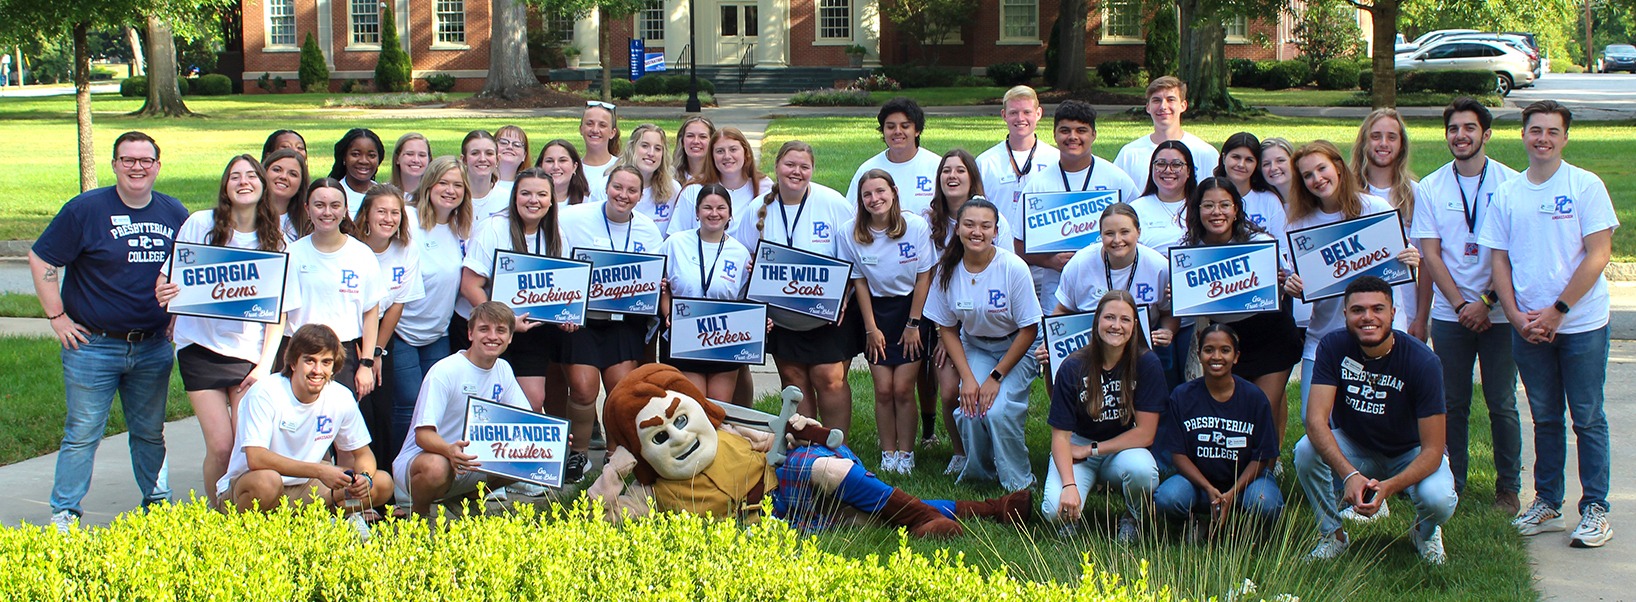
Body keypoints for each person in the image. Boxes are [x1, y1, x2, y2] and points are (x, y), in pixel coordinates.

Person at [31, 131, 187, 530]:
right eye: (128, 160)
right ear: (115, 164)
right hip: (93, 345)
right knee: (82, 433)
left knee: (150, 432)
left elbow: (189, 270)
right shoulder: (86, 210)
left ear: (158, 165)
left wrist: (176, 314)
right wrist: (56, 316)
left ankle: (158, 504)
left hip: (151, 345)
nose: (137, 167)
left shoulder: (174, 213)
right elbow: (42, 257)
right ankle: (65, 512)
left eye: (145, 160)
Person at [1481, 100, 1618, 548]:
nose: (1543, 139)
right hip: (1529, 327)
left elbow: (1599, 254)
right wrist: (1518, 315)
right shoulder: (1506, 194)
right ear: (1522, 135)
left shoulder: (1585, 186)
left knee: (1587, 416)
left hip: (1580, 324)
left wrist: (1558, 310)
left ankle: (1595, 508)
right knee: (1544, 417)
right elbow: (1498, 258)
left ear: (1565, 137)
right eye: (1535, 130)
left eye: (1552, 132)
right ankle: (1548, 504)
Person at [155, 154, 294, 510]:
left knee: (245, 447)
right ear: (225, 185)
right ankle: (218, 515)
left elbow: (277, 313)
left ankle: (245, 511)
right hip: (199, 347)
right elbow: (170, 277)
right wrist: (165, 291)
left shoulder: (276, 240)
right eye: (235, 176)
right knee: (220, 446)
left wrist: (264, 365)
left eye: (251, 175)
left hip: (250, 354)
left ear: (262, 186)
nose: (243, 181)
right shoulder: (199, 223)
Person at [1293, 276, 1456, 564]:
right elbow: (1315, 420)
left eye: (1377, 309)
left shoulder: (1423, 361)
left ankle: (1424, 531)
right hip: (1356, 446)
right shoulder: (1333, 346)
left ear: (1393, 313)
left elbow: (1433, 450)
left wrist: (1389, 487)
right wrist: (1350, 475)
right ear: (1345, 315)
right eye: (1358, 310)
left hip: (1411, 451)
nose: (1368, 317)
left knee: (1439, 500)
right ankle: (1333, 535)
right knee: (1305, 449)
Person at [1409, 98, 1522, 514]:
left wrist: (1486, 302)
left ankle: (1508, 488)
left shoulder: (1511, 184)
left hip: (1500, 312)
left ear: (1486, 134)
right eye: (1454, 129)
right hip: (1451, 314)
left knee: (1502, 401)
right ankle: (1452, 479)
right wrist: (1460, 306)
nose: (1461, 136)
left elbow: (1511, 253)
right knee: (1451, 402)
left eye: (1470, 128)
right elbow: (1431, 255)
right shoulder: (1433, 187)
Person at [1282, 141, 1418, 415]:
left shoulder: (1375, 208)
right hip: (1325, 334)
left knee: (1386, 416)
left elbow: (1399, 262)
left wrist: (1410, 259)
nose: (1317, 179)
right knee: (1314, 421)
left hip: (1381, 332)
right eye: (1307, 175)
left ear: (1339, 168)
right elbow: (1301, 279)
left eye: (1322, 169)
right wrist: (1293, 285)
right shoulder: (1300, 225)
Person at [458, 167, 566, 497]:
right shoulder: (494, 228)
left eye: (541, 195)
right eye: (526, 193)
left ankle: (515, 470)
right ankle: (486, 477)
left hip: (536, 331)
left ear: (551, 201)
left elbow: (565, 286)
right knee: (488, 401)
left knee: (533, 400)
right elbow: (470, 284)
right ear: (514, 196)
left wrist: (568, 313)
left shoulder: (556, 234)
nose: (533, 200)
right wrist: (501, 322)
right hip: (496, 330)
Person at [740, 141, 860, 432]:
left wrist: (846, 293)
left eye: (804, 166)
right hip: (781, 319)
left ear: (812, 170)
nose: (796, 172)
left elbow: (855, 255)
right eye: (789, 165)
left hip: (828, 313)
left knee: (829, 379)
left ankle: (838, 451)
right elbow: (742, 254)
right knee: (794, 380)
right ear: (777, 167)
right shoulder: (757, 209)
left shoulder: (832, 204)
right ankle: (807, 451)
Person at [556, 165, 665, 482]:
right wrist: (565, 306)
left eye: (632, 191)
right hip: (583, 322)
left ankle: (614, 455)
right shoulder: (574, 217)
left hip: (622, 324)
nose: (624, 195)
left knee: (620, 393)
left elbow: (654, 278)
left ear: (640, 196)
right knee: (583, 389)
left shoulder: (647, 231)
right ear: (607, 187)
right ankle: (577, 456)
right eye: (618, 187)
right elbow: (553, 252)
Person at [924, 198, 1041, 493]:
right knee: (970, 409)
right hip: (976, 345)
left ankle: (1019, 480)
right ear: (958, 229)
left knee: (999, 410)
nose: (977, 231)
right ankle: (980, 472)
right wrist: (968, 379)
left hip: (1018, 346)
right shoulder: (946, 270)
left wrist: (995, 377)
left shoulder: (1012, 267)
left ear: (995, 231)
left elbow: (1029, 329)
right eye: (969, 225)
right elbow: (947, 328)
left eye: (985, 226)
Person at [221, 324, 394, 520]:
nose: (317, 370)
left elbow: (363, 453)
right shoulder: (265, 392)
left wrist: (365, 478)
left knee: (382, 483)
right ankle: (247, 532)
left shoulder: (341, 396)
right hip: (252, 484)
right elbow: (256, 458)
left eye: (326, 362)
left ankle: (321, 521)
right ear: (293, 362)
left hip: (308, 487)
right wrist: (320, 470)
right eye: (310, 361)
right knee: (267, 482)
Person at [1179, 178, 1302, 446]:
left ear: (1236, 209)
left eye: (1225, 205)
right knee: (1238, 408)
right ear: (1197, 210)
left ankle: (1269, 464)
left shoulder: (1261, 242)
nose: (1217, 212)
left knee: (1265, 405)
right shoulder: (1189, 251)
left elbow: (1288, 279)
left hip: (1271, 332)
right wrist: (1174, 295)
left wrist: (1286, 282)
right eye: (1208, 205)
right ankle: (1239, 460)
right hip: (1226, 336)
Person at [1041, 290, 1162, 542]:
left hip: (1123, 446)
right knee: (1053, 511)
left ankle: (1134, 517)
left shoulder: (1147, 363)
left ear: (1135, 326)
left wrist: (1092, 450)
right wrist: (1069, 486)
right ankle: (1072, 513)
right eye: (1109, 318)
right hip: (1078, 443)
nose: (1116, 326)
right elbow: (1061, 437)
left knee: (1143, 472)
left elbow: (1146, 433)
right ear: (1097, 321)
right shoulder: (1073, 366)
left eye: (1125, 320)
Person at [394, 301, 534, 516]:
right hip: (429, 459)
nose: (492, 336)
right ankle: (420, 514)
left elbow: (527, 422)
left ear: (510, 337)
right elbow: (423, 435)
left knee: (531, 454)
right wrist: (449, 451)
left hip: (474, 461)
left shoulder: (503, 369)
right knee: (436, 467)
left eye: (501, 330)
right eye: (484, 329)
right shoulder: (445, 371)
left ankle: (467, 498)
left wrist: (556, 440)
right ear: (470, 333)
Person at [839, 170, 935, 474]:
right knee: (883, 389)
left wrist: (913, 324)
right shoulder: (850, 233)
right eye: (867, 194)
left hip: (911, 311)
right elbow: (859, 282)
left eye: (880, 191)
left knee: (904, 388)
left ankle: (906, 453)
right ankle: (888, 451)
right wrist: (871, 328)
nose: (874, 199)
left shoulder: (916, 227)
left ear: (893, 192)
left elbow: (924, 276)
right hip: (875, 313)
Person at [924, 148, 1013, 472]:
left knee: (980, 393)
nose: (952, 176)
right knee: (949, 391)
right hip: (945, 319)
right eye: (946, 170)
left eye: (960, 170)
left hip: (984, 321)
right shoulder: (928, 219)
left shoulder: (993, 217)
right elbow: (930, 276)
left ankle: (989, 449)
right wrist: (946, 337)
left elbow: (1003, 274)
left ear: (972, 177)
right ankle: (961, 452)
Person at [1015, 100, 1138, 321]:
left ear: (1094, 135)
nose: (1073, 137)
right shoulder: (1038, 186)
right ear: (1054, 135)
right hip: (1058, 294)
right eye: (1065, 130)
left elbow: (1139, 231)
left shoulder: (1117, 179)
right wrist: (1050, 262)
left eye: (1081, 130)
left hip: (1112, 294)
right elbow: (1019, 245)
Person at [1155, 324, 1283, 530]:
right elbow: (1178, 455)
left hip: (1246, 484)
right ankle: (1194, 524)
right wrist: (1207, 487)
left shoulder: (1254, 398)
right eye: (1208, 350)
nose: (1216, 357)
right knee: (1168, 498)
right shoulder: (1181, 396)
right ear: (1198, 354)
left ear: (1236, 356)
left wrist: (1232, 492)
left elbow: (1262, 457)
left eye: (1225, 350)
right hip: (1197, 483)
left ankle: (1244, 530)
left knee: (1266, 504)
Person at [391, 156, 473, 469]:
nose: (450, 191)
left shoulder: (460, 228)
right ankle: (399, 471)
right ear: (429, 185)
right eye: (443, 183)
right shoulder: (408, 220)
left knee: (437, 409)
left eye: (457, 185)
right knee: (409, 404)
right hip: (401, 331)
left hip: (437, 334)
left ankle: (428, 470)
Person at [283, 179, 386, 396]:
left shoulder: (361, 255)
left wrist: (366, 364)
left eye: (335, 206)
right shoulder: (293, 254)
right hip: (300, 352)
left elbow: (371, 312)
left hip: (343, 353)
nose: (327, 212)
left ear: (345, 209)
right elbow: (282, 314)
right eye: (319, 205)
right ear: (307, 209)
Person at [656, 184, 754, 401]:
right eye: (707, 207)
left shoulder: (740, 253)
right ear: (697, 212)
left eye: (721, 208)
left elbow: (744, 299)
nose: (714, 213)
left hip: (723, 337)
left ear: (730, 213)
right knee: (695, 404)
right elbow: (663, 287)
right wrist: (668, 314)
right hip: (684, 334)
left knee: (719, 407)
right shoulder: (675, 243)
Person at [353, 184, 425, 472]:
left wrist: (377, 352)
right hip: (348, 333)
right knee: (357, 410)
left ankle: (382, 485)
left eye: (395, 212)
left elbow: (397, 304)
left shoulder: (405, 249)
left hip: (382, 335)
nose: (388, 218)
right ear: (366, 215)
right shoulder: (351, 247)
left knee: (383, 410)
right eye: (381, 211)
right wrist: (362, 356)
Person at [1049, 203, 1170, 356]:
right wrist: (1050, 343)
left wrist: (1167, 331)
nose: (1117, 240)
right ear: (1100, 235)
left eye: (1125, 232)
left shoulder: (1159, 266)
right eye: (1109, 233)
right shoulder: (1079, 263)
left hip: (1141, 349)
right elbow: (1062, 310)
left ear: (1138, 232)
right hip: (1091, 348)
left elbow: (1167, 313)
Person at [1129, 140, 1199, 390]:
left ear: (1189, 171)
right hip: (1151, 316)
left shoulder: (1201, 207)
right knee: (1157, 387)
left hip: (1197, 319)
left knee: (1192, 385)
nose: (1168, 170)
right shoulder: (1137, 209)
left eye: (1176, 164)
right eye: (1161, 163)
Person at [1350, 109, 1422, 332]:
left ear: (1401, 144)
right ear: (1364, 141)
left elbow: (1428, 256)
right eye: (1375, 136)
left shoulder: (1416, 193)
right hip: (1357, 309)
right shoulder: (1347, 192)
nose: (1383, 143)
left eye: (1391, 137)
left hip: (1403, 308)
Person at [668, 128, 772, 246]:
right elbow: (676, 239)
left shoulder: (764, 187)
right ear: (711, 156)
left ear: (746, 152)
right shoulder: (694, 190)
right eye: (720, 151)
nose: (727, 156)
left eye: (733, 149)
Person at [1114, 77, 1220, 192]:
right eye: (1156, 100)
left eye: (1170, 100)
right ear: (1148, 107)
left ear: (1183, 106)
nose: (1163, 106)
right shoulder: (1129, 154)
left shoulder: (1204, 152)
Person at [975, 85, 1059, 224]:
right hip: (998, 241)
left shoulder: (1055, 159)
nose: (1020, 118)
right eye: (1013, 112)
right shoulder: (986, 162)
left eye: (1027, 112)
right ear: (1004, 115)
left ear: (1038, 114)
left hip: (1041, 241)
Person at [845, 97, 943, 217]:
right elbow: (851, 215)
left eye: (905, 126)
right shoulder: (868, 169)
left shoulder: (937, 166)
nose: (897, 131)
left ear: (917, 130)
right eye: (891, 127)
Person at [619, 123, 681, 235]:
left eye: (657, 149)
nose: (651, 153)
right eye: (644, 146)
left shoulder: (673, 189)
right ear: (632, 148)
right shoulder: (610, 185)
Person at [328, 128, 384, 215]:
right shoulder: (332, 194)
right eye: (355, 154)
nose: (363, 161)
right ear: (344, 157)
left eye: (371, 155)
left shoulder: (385, 195)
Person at [462, 130, 509, 222]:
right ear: (464, 160)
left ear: (497, 159)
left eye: (489, 153)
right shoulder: (453, 197)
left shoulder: (507, 200)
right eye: (475, 153)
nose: (482, 159)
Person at [262, 148, 308, 241]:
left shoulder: (308, 222)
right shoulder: (248, 215)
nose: (283, 177)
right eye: (277, 170)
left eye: (293, 174)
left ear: (301, 183)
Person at [580, 100, 621, 200]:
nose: (595, 130)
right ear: (581, 129)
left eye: (602, 125)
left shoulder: (621, 167)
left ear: (612, 132)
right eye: (590, 123)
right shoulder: (572, 169)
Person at [536, 138, 593, 207]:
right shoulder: (531, 201)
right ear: (540, 166)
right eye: (549, 161)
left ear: (574, 167)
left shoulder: (588, 203)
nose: (556, 167)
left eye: (562, 160)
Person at [673, 116, 715, 186]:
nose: (696, 141)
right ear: (682, 141)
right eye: (690, 136)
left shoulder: (721, 178)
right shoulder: (670, 179)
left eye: (703, 137)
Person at [390, 133, 430, 202]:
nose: (416, 160)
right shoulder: (383, 194)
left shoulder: (434, 197)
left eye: (422, 155)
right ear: (397, 158)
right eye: (409, 154)